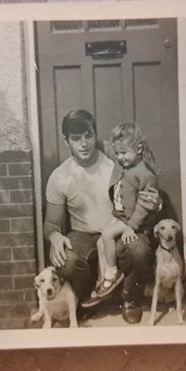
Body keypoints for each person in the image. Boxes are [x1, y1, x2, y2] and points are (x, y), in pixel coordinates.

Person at [44, 110, 161, 324]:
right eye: (76, 138)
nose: (84, 144)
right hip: (84, 234)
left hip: (118, 229)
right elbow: (51, 223)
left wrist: (157, 203)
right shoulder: (60, 176)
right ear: (66, 141)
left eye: (88, 135)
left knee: (139, 248)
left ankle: (130, 298)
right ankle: (85, 296)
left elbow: (144, 182)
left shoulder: (117, 163)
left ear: (95, 134)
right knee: (66, 259)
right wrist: (54, 237)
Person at [88, 123, 159, 303]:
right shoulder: (123, 160)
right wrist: (91, 140)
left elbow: (144, 205)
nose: (119, 157)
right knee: (100, 243)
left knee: (107, 233)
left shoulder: (145, 174)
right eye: (118, 153)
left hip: (134, 220)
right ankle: (104, 279)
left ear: (140, 149)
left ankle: (112, 273)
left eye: (123, 153)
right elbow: (108, 147)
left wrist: (131, 227)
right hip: (121, 215)